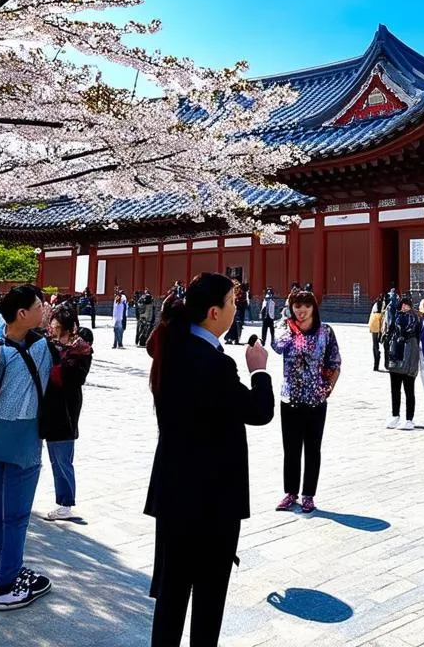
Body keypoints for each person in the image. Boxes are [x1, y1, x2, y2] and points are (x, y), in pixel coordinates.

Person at [145, 273, 274, 647]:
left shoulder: (172, 348)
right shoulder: (214, 363)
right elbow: (259, 410)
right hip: (211, 500)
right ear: (214, 312)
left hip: (174, 492)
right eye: (233, 303)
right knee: (208, 598)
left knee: (171, 596)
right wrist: (259, 368)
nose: (238, 309)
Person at [0, 285, 54, 611]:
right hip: (24, 442)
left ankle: (14, 572)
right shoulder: (44, 348)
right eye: (39, 306)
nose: (44, 310)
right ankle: (6, 588)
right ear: (23, 314)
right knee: (15, 518)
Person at [271, 290, 341, 514]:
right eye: (296, 307)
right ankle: (290, 492)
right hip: (289, 398)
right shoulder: (286, 329)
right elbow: (277, 346)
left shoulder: (325, 332)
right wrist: (286, 324)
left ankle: (308, 494)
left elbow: (335, 361)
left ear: (313, 308)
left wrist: (327, 388)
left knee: (312, 449)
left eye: (306, 307)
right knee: (290, 449)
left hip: (315, 401)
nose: (301, 311)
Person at [43, 304, 94, 522]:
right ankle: (63, 501)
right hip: (51, 408)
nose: (51, 327)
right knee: (56, 457)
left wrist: (55, 357)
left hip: (65, 410)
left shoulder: (80, 349)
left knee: (62, 458)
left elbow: (65, 377)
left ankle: (65, 504)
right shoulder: (52, 344)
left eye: (54, 323)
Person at [383, 295, 421, 430]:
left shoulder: (415, 319)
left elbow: (416, 339)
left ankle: (409, 419)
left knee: (409, 390)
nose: (405, 307)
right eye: (403, 305)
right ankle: (395, 416)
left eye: (407, 305)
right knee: (395, 389)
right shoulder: (395, 317)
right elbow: (389, 333)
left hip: (409, 356)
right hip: (395, 357)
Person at [368, 296, 385, 370]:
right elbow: (383, 318)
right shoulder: (384, 305)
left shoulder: (375, 305)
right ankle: (383, 362)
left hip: (373, 324)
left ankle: (376, 364)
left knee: (375, 344)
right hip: (379, 324)